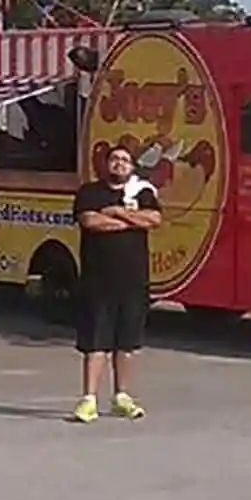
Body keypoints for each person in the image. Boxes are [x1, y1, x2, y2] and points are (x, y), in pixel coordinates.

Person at [70, 145, 163, 423]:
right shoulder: (90, 192)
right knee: (96, 342)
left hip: (134, 281)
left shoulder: (143, 192)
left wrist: (117, 213)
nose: (119, 164)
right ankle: (89, 399)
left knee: (127, 343)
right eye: (115, 159)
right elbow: (91, 221)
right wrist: (131, 221)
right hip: (97, 280)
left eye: (125, 160)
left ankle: (122, 396)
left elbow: (155, 219)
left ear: (132, 166)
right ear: (105, 164)